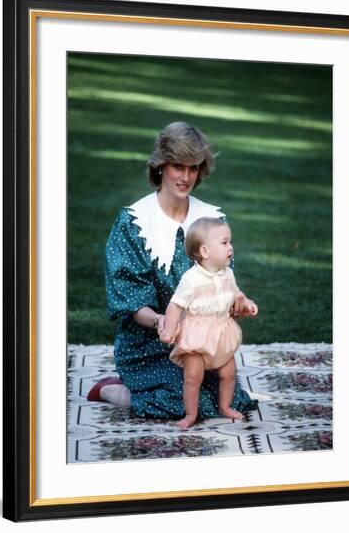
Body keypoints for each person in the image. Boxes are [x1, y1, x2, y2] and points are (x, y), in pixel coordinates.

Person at [87, 121, 258, 420]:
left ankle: (147, 392)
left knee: (230, 400)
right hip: (149, 344)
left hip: (201, 343)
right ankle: (116, 390)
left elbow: (223, 282)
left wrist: (235, 303)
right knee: (187, 403)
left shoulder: (211, 220)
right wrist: (161, 321)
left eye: (193, 168)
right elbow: (132, 300)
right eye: (178, 166)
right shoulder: (134, 222)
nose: (186, 176)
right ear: (161, 166)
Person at [160, 217, 258, 429]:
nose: (230, 248)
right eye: (224, 243)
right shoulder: (191, 279)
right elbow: (175, 306)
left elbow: (235, 293)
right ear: (205, 252)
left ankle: (225, 406)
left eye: (230, 242)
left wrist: (244, 301)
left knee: (228, 372)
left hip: (221, 332)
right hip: (197, 335)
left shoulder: (227, 274)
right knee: (193, 376)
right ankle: (190, 415)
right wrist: (169, 329)